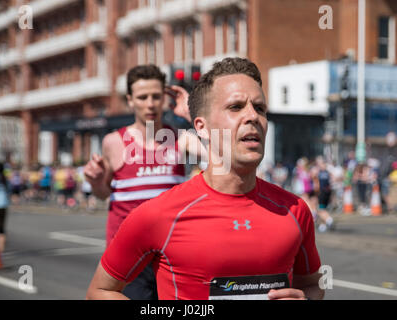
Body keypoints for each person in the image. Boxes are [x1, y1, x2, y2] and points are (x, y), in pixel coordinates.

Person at [86, 58, 324, 300]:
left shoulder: (295, 211)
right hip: (138, 250)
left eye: (260, 108)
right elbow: (99, 292)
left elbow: (313, 285)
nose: (253, 115)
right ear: (201, 126)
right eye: (236, 107)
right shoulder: (154, 213)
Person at [84, 64, 204, 300]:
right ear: (130, 100)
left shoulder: (182, 139)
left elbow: (225, 159)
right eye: (142, 97)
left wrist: (193, 114)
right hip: (129, 254)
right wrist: (96, 181)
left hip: (171, 253)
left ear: (164, 99)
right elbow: (103, 193)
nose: (150, 103)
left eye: (156, 96)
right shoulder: (113, 141)